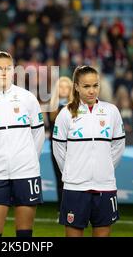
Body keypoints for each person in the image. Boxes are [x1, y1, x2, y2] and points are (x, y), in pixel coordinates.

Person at [0, 51, 45, 237]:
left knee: (24, 235)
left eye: (8, 68)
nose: (4, 72)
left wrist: (28, 159)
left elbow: (38, 134)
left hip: (26, 172)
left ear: (13, 71)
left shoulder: (28, 98)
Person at [52, 66, 125, 237]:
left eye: (95, 85)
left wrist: (104, 168)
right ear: (76, 86)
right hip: (75, 187)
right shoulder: (66, 113)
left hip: (105, 186)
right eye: (86, 86)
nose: (92, 91)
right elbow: (58, 149)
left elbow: (118, 147)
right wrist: (72, 172)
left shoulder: (111, 111)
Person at [48, 76, 73, 211]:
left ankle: (76, 208)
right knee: (60, 178)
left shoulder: (77, 107)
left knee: (74, 179)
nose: (63, 90)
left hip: (74, 147)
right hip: (56, 147)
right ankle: (62, 210)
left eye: (66, 87)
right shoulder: (52, 107)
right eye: (61, 87)